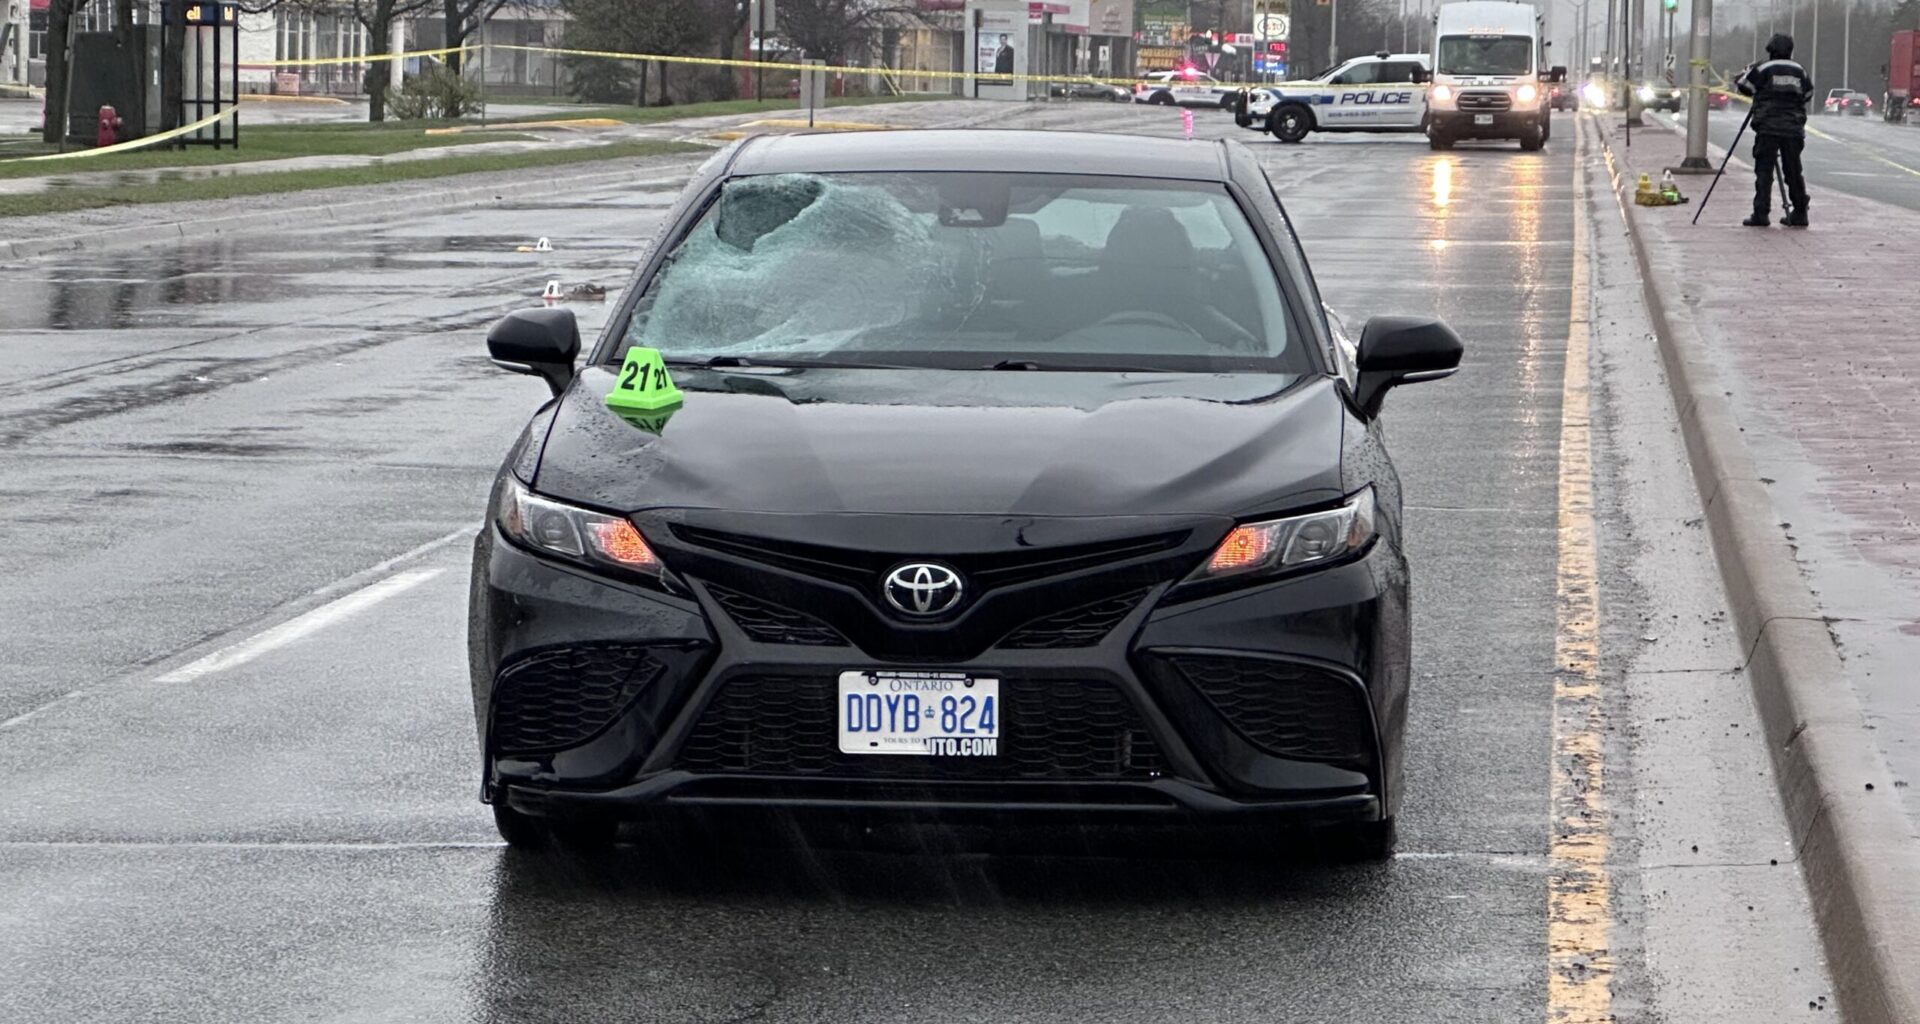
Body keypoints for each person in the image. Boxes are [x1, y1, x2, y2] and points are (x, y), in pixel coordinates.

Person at [1734, 34, 1813, 227]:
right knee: (1793, 170)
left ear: (1770, 50)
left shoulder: (1763, 68)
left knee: (1764, 171)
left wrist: (1746, 75)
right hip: (1793, 128)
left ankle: (1761, 213)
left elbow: (1745, 87)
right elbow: (1808, 93)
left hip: (1768, 127)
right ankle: (1800, 212)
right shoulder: (1799, 70)